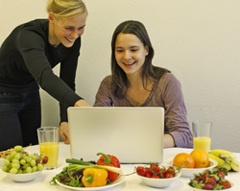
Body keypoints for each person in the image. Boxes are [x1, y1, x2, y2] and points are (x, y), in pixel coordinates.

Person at [0, 0, 89, 151]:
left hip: (30, 93)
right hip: (3, 95)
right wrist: (78, 102)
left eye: (81, 28)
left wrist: (65, 120)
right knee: (10, 156)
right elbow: (44, 76)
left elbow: (67, 81)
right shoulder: (28, 36)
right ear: (52, 18)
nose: (75, 35)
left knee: (33, 150)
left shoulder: (73, 40)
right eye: (69, 28)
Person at [94, 20, 193, 148]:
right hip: (121, 157)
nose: (126, 56)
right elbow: (97, 129)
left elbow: (184, 137)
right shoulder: (108, 84)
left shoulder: (167, 82)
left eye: (133, 49)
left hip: (160, 161)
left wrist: (143, 143)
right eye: (120, 50)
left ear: (146, 50)